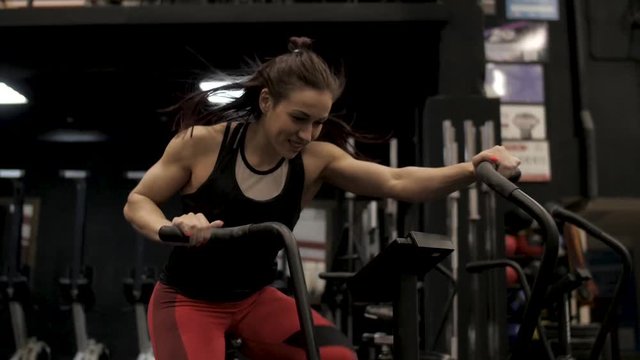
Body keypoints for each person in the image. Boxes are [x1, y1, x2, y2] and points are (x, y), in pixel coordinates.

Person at [123, 36, 520, 360]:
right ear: (266, 102)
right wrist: (170, 228)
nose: (308, 134)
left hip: (255, 299)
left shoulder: (316, 161)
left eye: (318, 123)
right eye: (298, 119)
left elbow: (398, 181)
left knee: (337, 358)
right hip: (188, 301)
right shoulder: (202, 145)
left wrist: (472, 168)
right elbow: (138, 200)